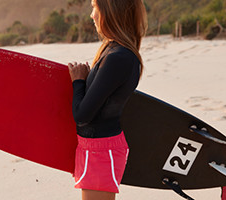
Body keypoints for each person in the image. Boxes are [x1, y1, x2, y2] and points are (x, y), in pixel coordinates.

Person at [68, 0, 147, 199]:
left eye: (95, 8)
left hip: (101, 151)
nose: (92, 15)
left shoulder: (117, 57)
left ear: (110, 12)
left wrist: (77, 82)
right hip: (95, 146)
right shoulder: (113, 50)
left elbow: (83, 115)